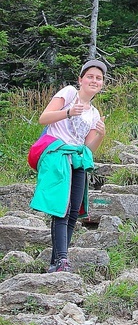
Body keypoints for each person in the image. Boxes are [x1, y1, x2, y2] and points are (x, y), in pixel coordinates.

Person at [31, 60, 107, 273]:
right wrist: (68, 112)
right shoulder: (69, 93)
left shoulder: (93, 112)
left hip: (77, 159)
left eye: (98, 78)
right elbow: (43, 118)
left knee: (74, 210)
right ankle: (62, 260)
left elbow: (88, 148)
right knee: (61, 209)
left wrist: (100, 134)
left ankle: (57, 262)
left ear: (102, 84)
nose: (94, 80)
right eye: (90, 76)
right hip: (58, 155)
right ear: (80, 79)